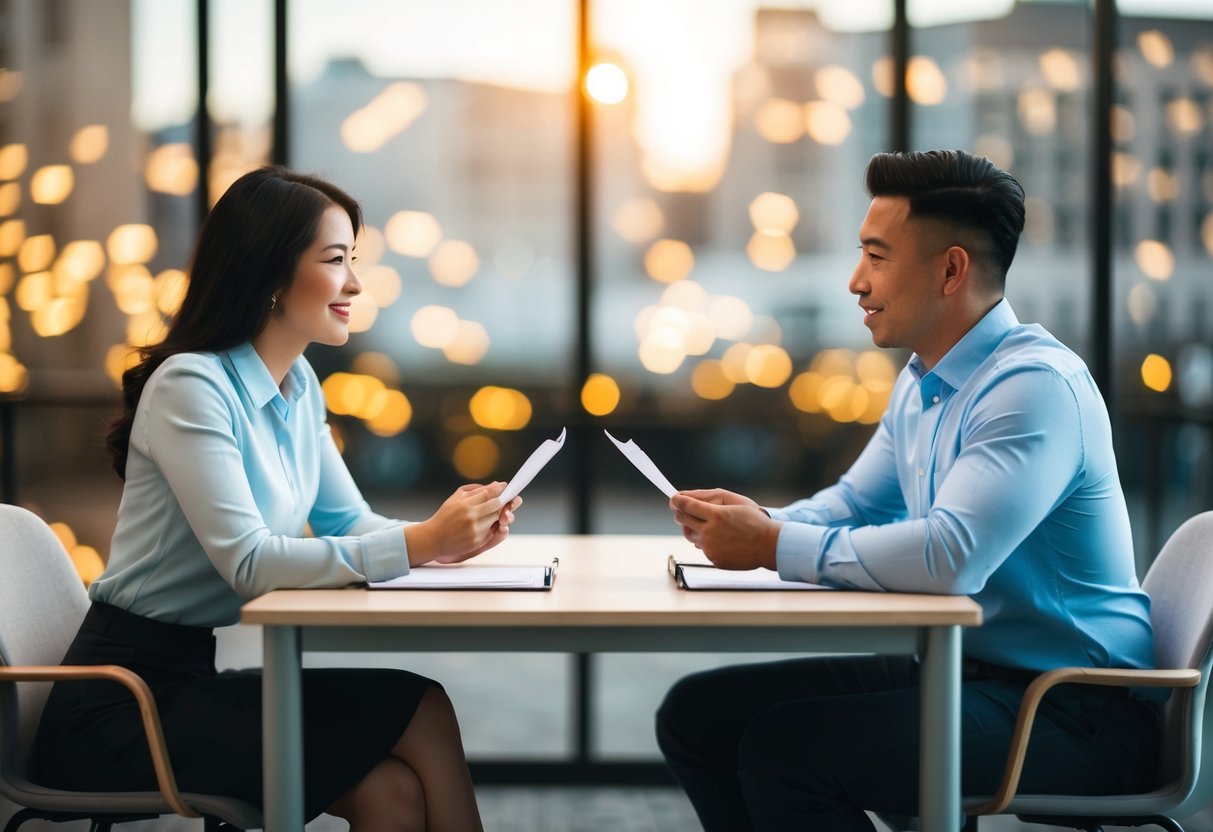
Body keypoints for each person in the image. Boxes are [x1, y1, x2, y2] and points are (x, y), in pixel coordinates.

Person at [657, 149, 1160, 831]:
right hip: (962, 668)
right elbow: (853, 505)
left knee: (788, 751)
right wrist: (752, 524)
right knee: (698, 715)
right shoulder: (924, 381)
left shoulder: (1032, 388)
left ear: (951, 269)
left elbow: (951, 556)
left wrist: (772, 543)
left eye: (876, 256)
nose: (854, 281)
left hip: (1075, 707)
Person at [33, 166, 519, 831]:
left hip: (186, 681)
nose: (354, 283)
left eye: (354, 260)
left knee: (390, 792)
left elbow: (350, 523)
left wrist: (450, 539)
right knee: (422, 705)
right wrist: (423, 543)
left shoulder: (299, 385)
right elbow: (250, 564)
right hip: (120, 706)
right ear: (270, 272)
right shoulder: (191, 386)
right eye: (335, 260)